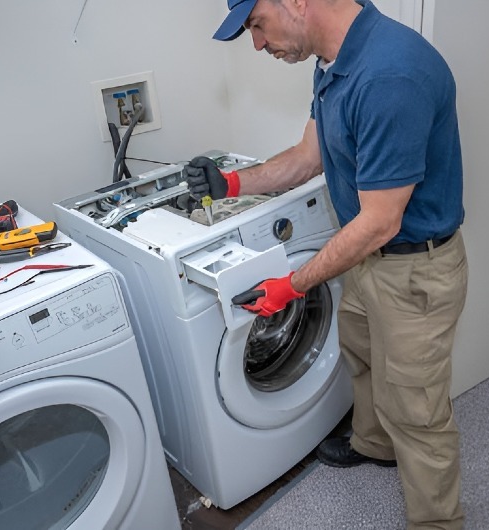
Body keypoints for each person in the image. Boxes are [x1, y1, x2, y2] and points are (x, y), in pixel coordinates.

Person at [184, 1, 468, 528]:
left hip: (412, 271)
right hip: (365, 260)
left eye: (256, 25)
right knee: (359, 355)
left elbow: (381, 221)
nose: (258, 44)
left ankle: (439, 522)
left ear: (295, 2)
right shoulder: (332, 62)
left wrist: (290, 286)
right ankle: (375, 445)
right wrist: (230, 184)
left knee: (418, 410)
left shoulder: (390, 75)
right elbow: (307, 157)